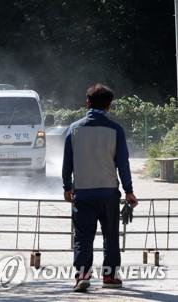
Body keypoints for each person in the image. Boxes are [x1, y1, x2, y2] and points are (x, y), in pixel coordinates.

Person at [62, 84, 138, 292]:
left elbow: (67, 162)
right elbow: (123, 163)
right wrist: (129, 191)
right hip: (108, 193)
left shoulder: (74, 129)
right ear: (109, 106)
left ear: (87, 102)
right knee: (111, 235)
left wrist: (67, 186)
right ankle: (110, 276)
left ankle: (82, 277)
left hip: (83, 193)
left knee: (83, 236)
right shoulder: (116, 130)